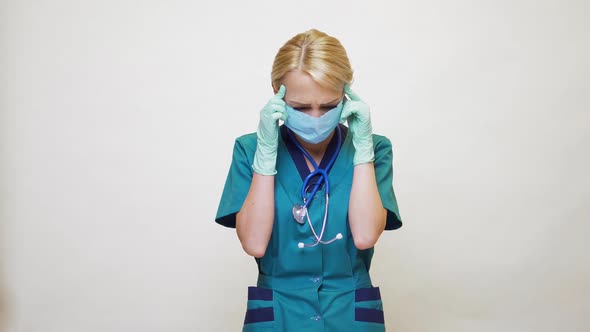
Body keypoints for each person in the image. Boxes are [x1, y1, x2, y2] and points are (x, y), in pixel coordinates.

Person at [215, 29, 402, 332]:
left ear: (346, 94)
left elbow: (366, 236)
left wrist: (362, 152)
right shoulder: (250, 149)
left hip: (350, 312)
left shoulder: (373, 148)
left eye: (329, 106)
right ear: (278, 92)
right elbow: (254, 243)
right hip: (278, 313)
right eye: (301, 108)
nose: (316, 117)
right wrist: (265, 156)